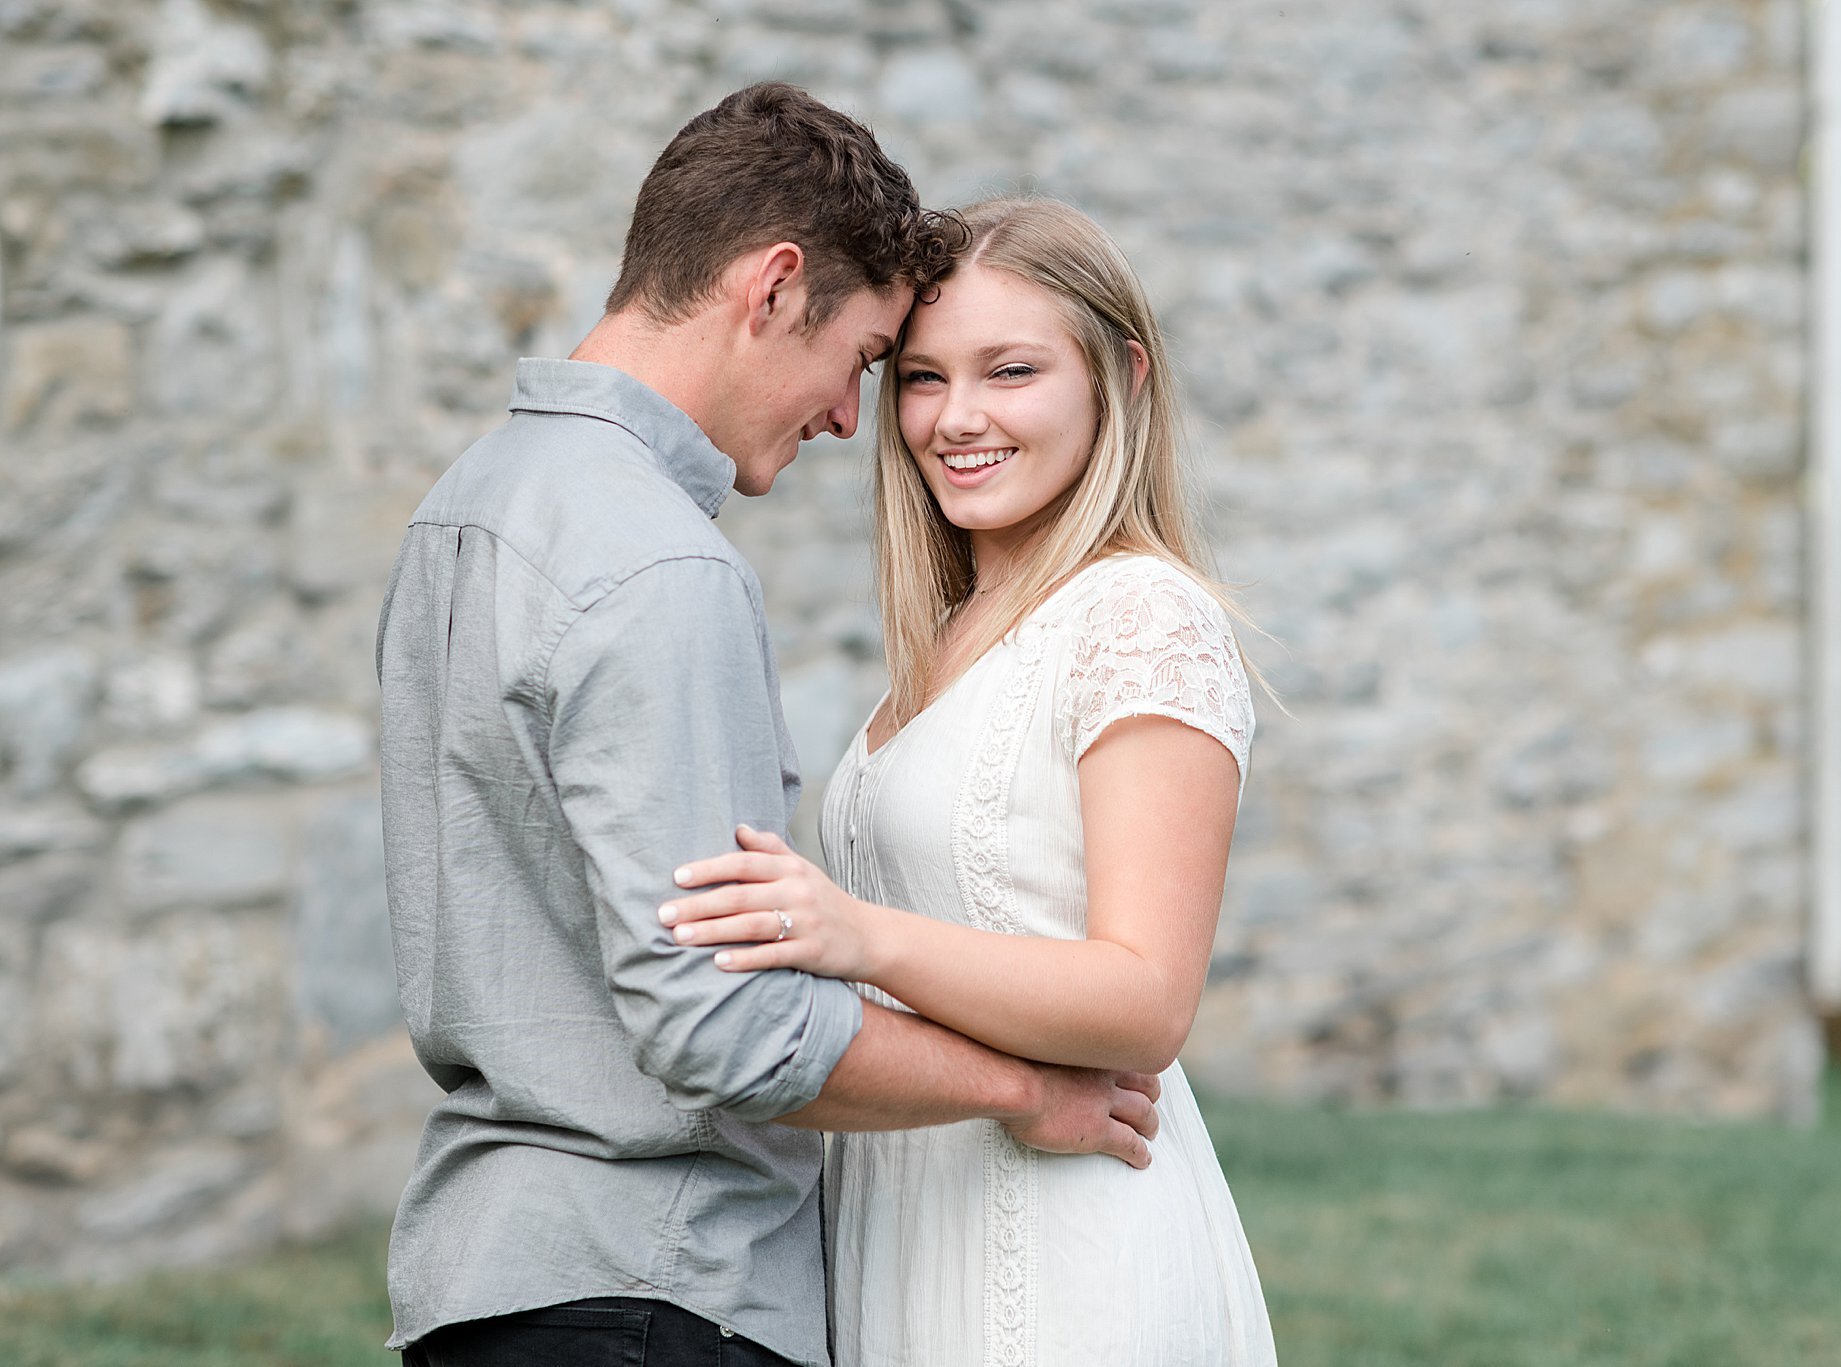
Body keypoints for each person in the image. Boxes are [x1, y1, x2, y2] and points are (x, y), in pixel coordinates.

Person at [375, 90, 1162, 1367]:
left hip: (488, 1281)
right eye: (863, 361)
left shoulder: (466, 507)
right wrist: (1027, 1089)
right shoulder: (658, 564)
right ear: (772, 286)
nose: (854, 420)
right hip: (653, 1288)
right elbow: (719, 1024)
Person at [659, 197, 1280, 1366]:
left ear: (1121, 376)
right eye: (924, 378)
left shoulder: (1140, 616)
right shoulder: (955, 629)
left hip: (1066, 1241)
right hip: (908, 1220)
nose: (958, 418)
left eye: (1010, 370)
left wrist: (856, 936)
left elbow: (1146, 998)